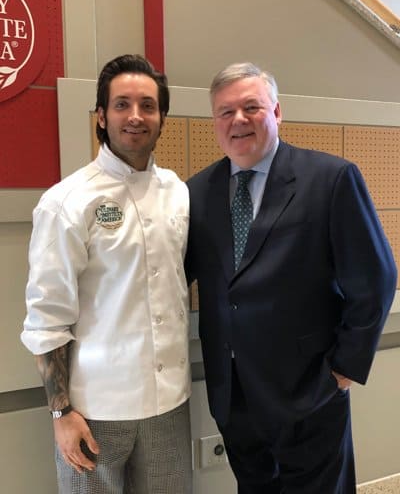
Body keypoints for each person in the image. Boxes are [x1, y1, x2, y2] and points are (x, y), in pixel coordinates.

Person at [185, 61, 397, 493]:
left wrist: (345, 368)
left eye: (251, 107)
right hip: (234, 396)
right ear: (215, 122)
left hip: (311, 389)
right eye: (226, 112)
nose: (238, 120)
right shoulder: (196, 192)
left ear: (277, 112)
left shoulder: (331, 178)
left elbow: (376, 276)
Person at [21, 54, 192, 494]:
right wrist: (61, 413)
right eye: (121, 105)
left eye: (148, 106)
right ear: (101, 115)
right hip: (94, 409)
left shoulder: (178, 192)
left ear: (161, 118)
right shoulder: (68, 202)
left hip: (170, 402)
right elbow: (47, 316)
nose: (135, 116)